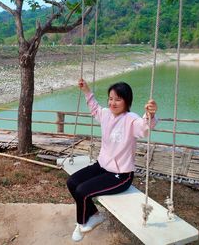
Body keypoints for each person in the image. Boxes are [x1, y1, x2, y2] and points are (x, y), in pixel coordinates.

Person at [67, 78, 158, 242]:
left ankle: (81, 224)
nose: (113, 103)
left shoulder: (131, 119)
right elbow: (95, 108)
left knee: (82, 191)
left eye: (118, 99)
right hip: (102, 166)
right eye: (110, 98)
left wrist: (150, 114)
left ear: (127, 101)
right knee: (72, 182)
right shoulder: (106, 114)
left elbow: (144, 128)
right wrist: (87, 90)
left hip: (121, 175)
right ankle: (94, 215)